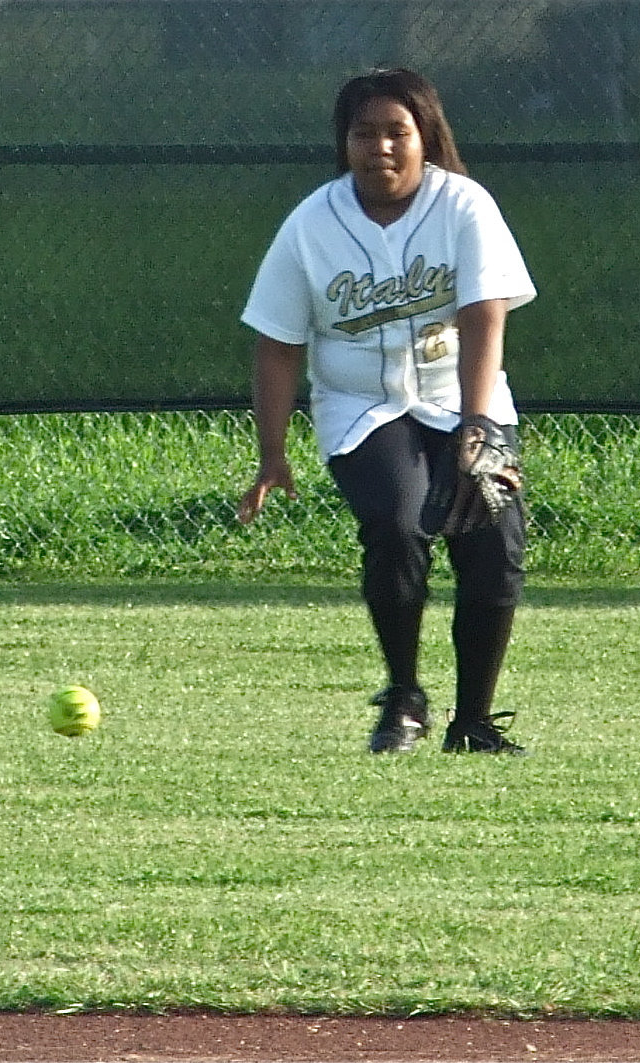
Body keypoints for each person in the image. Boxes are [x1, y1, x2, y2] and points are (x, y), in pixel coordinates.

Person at [236, 68, 537, 754]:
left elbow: (484, 315)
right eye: (363, 133)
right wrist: (271, 455)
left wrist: (479, 423)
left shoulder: (462, 205)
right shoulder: (313, 223)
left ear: (424, 137)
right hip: (360, 406)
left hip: (463, 396)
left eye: (396, 132)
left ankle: (473, 721)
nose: (380, 147)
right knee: (398, 522)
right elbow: (277, 345)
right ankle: (403, 695)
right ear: (343, 143)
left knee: (492, 543)